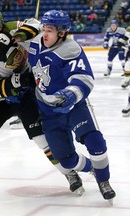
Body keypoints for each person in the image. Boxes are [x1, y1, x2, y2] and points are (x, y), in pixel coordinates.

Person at [0, 8, 85, 200]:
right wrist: (15, 84)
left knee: (42, 140)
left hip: (27, 95)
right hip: (3, 98)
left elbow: (37, 25)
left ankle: (69, 173)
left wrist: (15, 36)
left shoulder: (12, 28)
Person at [27, 10, 116, 202]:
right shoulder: (35, 42)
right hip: (48, 111)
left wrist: (70, 93)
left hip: (73, 106)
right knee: (66, 159)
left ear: (62, 32)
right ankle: (93, 167)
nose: (45, 33)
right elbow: (14, 35)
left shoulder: (70, 49)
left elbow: (84, 78)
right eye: (44, 28)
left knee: (95, 142)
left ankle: (104, 180)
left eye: (50, 30)